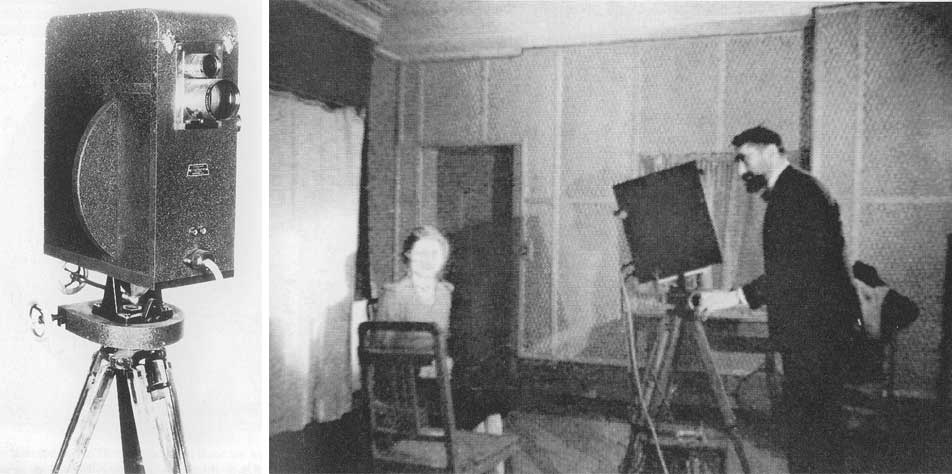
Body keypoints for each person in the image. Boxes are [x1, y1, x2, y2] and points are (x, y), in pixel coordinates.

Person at [695, 126, 862, 473]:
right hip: (815, 329)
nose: (740, 171)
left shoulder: (798, 195)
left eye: (745, 159)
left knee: (812, 430)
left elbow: (794, 272)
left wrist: (730, 298)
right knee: (813, 428)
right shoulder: (795, 191)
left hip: (818, 331)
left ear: (771, 151)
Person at [375, 224, 454, 363]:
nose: (428, 260)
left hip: (440, 369)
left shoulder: (445, 293)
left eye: (434, 254)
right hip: (403, 371)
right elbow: (381, 349)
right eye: (422, 253)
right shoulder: (395, 294)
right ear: (409, 254)